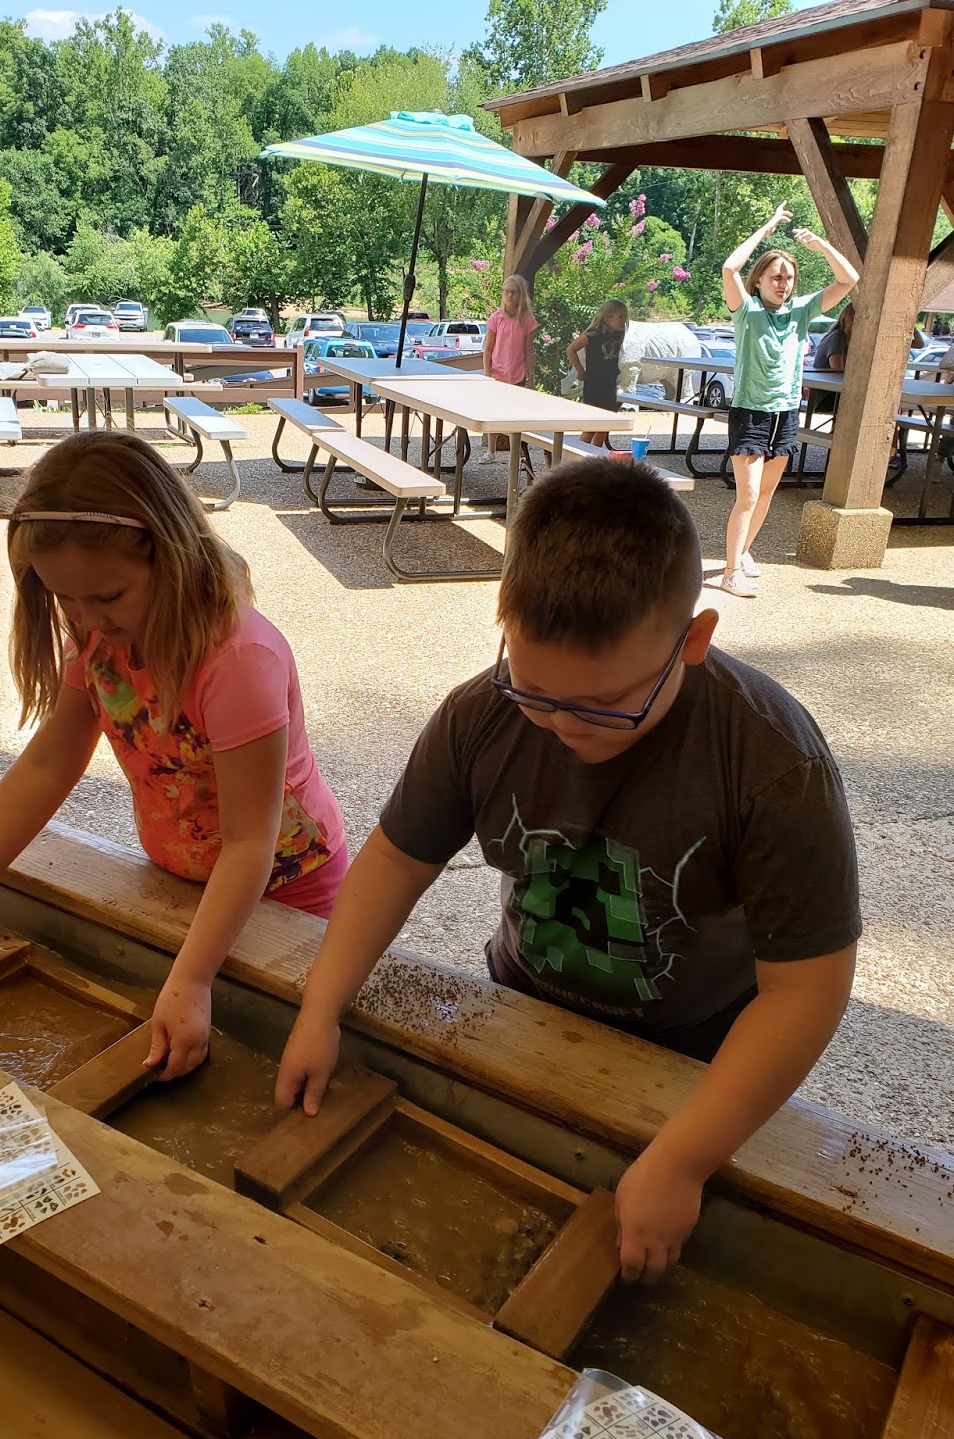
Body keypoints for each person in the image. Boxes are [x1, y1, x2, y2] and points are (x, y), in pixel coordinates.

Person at [275, 459, 860, 1286]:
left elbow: (806, 990)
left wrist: (687, 1158)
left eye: (602, 705)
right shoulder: (483, 713)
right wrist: (322, 1004)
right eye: (536, 690)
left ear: (693, 641)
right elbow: (395, 863)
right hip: (525, 1005)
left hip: (696, 1054)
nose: (560, 727)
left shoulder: (771, 761)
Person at [0, 431, 347, 1079]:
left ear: (170, 556)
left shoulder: (237, 662)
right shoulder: (99, 641)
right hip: (182, 880)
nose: (86, 619)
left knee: (271, 1056)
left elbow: (248, 843)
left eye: (107, 597)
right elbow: (48, 763)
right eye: (64, 597)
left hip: (291, 890)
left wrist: (192, 978)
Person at [721, 203, 858, 598]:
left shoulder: (801, 311)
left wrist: (823, 247)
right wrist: (765, 230)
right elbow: (729, 269)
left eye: (789, 278)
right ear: (760, 280)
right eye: (776, 276)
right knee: (746, 495)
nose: (784, 284)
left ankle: (744, 551)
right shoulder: (746, 310)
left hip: (785, 412)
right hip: (751, 412)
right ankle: (732, 572)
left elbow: (848, 279)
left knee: (765, 493)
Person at [483, 273, 537, 458]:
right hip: (498, 374)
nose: (509, 295)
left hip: (517, 374)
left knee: (516, 414)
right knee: (494, 413)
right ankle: (491, 450)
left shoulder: (527, 319)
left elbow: (529, 350)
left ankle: (518, 451)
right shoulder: (496, 318)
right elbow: (488, 349)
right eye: (506, 291)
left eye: (513, 292)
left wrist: (531, 377)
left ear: (521, 294)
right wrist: (487, 373)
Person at [566, 298, 628, 446]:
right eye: (620, 317)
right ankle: (581, 455)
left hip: (610, 382)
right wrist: (580, 370)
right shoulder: (593, 334)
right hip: (594, 383)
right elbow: (571, 349)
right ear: (607, 318)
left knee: (605, 424)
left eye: (625, 318)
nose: (623, 321)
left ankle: (596, 457)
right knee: (592, 424)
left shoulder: (619, 333)